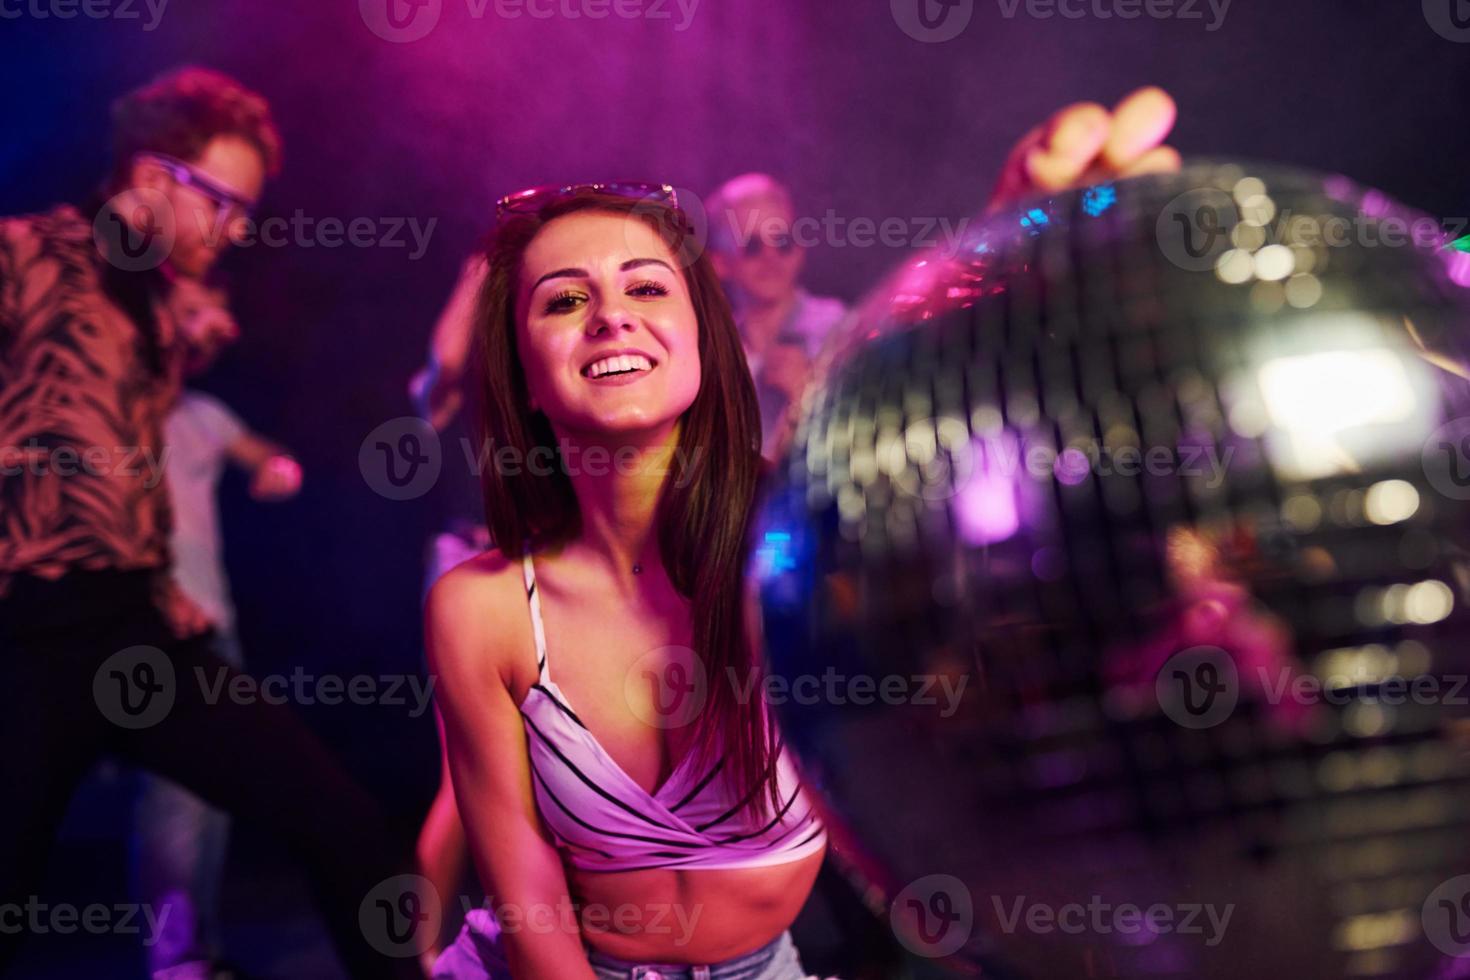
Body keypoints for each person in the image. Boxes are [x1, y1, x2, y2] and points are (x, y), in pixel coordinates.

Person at [417, 90, 1182, 979]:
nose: (612, 316)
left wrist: (1015, 244)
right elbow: (530, 910)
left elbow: (912, 388)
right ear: (527, 376)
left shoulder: (799, 547)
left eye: (647, 287)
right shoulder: (480, 607)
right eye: (564, 301)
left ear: (703, 339)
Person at [0, 66, 422, 979]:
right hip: (25, 637)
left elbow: (122, 463)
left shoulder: (153, 307)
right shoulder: (22, 253)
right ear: (155, 180)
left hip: (139, 637)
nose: (238, 230)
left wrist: (155, 578)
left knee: (342, 821)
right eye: (225, 204)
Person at [131, 385, 304, 978]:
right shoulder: (108, 411)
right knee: (173, 797)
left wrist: (279, 469)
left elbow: (265, 455)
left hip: (215, 625)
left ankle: (196, 949)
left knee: (215, 795)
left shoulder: (200, 412)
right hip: (150, 626)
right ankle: (174, 957)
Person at [703, 173, 848, 459]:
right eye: (752, 247)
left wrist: (810, 396)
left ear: (800, 248)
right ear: (718, 263)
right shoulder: (711, 352)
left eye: (783, 242)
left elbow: (876, 434)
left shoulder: (840, 329)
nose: (771, 258)